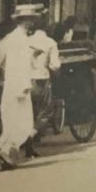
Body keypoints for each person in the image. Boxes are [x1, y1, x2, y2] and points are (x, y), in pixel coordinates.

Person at [0, 4, 40, 169]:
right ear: (25, 21)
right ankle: (5, 150)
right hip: (20, 85)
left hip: (12, 84)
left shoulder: (11, 39)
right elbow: (22, 65)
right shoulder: (19, 40)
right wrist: (26, 84)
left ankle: (7, 154)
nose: (32, 23)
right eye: (31, 20)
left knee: (13, 119)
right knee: (22, 122)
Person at [25, 12, 61, 156]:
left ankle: (29, 145)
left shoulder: (26, 40)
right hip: (42, 80)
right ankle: (30, 136)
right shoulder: (51, 42)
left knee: (29, 112)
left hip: (26, 80)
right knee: (46, 111)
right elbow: (54, 65)